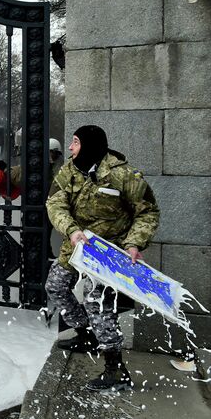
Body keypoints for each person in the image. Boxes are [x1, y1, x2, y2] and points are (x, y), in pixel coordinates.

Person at [45, 125, 160, 392]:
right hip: (76, 247)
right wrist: (72, 231)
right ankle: (86, 334)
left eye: (75, 142)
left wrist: (133, 244)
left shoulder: (124, 175)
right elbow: (55, 203)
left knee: (97, 303)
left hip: (109, 255)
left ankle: (115, 370)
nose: (70, 148)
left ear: (90, 145)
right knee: (56, 286)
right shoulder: (69, 170)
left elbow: (148, 212)